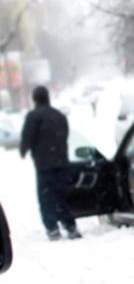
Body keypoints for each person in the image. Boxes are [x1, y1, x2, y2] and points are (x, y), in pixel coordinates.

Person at [18, 85, 80, 241]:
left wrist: (23, 150)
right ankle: (70, 225)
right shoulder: (59, 115)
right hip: (61, 163)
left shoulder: (33, 116)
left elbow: (27, 136)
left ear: (35, 99)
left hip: (44, 165)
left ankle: (52, 228)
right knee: (62, 196)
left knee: (46, 198)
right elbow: (64, 135)